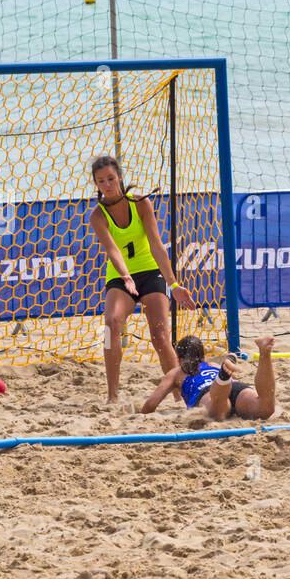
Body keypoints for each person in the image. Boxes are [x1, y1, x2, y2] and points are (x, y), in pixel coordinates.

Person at [89, 154, 193, 404]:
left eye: (111, 179)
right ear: (96, 184)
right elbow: (112, 250)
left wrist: (174, 284)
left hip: (150, 272)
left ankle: (180, 396)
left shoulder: (141, 204)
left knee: (159, 334)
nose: (107, 185)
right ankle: (112, 397)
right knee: (111, 324)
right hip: (120, 276)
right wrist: (125, 275)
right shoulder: (97, 216)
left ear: (121, 177)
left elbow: (157, 245)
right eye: (101, 181)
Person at [140, 334, 277, 421]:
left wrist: (143, 412)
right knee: (265, 408)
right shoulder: (212, 365)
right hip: (234, 388)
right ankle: (264, 353)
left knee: (219, 412)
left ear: (180, 359)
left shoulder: (176, 372)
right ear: (203, 357)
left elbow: (151, 404)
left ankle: (222, 379)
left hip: (206, 393)